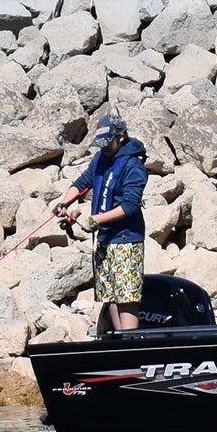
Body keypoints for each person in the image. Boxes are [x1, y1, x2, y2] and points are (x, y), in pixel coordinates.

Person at [58, 114, 149, 332]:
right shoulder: (101, 159)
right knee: (110, 294)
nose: (104, 148)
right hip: (104, 239)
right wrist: (64, 202)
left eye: (108, 143)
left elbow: (129, 206)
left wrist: (95, 220)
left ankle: (130, 345)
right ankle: (120, 341)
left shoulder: (133, 166)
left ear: (121, 137)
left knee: (127, 296)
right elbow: (82, 183)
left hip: (126, 240)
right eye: (101, 144)